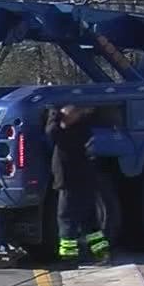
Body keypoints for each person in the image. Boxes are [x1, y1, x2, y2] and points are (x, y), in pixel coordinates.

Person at [46, 104, 111, 264]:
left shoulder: (64, 136)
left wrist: (54, 112)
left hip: (69, 184)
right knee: (90, 220)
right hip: (86, 182)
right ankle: (101, 253)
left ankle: (69, 257)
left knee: (66, 218)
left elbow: (50, 131)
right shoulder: (84, 131)